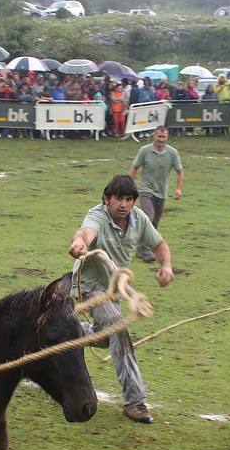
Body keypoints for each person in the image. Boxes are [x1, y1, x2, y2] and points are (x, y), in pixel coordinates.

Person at [67, 174, 174, 424]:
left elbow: (159, 245)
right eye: (118, 199)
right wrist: (78, 243)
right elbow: (85, 232)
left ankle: (65, 333)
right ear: (107, 199)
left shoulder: (139, 219)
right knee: (118, 327)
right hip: (90, 286)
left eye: (128, 199)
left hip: (112, 290)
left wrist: (167, 266)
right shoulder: (98, 216)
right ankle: (135, 401)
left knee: (105, 338)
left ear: (134, 202)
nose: (123, 204)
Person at [129, 126, 184, 262]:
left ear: (167, 137)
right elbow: (134, 168)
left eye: (163, 137)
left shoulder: (172, 153)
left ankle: (141, 248)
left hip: (161, 193)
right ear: (154, 135)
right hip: (145, 190)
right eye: (158, 136)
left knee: (155, 223)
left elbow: (180, 172)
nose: (160, 140)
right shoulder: (144, 151)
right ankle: (144, 251)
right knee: (149, 216)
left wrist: (178, 189)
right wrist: (130, 187)